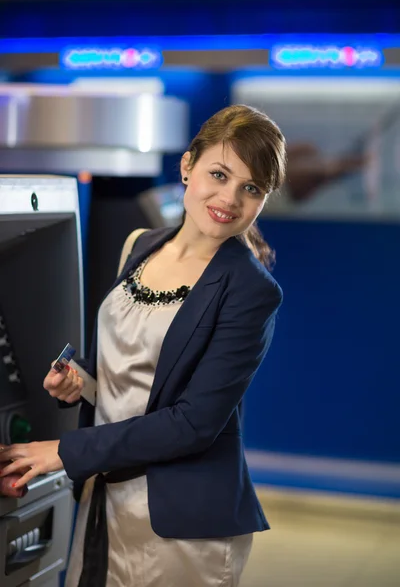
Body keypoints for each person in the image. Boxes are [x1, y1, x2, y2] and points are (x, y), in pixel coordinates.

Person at [0, 104, 286, 587]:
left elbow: (194, 423)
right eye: (219, 174)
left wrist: (64, 451)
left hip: (181, 523)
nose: (229, 198)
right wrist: (82, 381)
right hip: (104, 493)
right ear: (187, 165)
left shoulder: (251, 290)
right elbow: (133, 369)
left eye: (251, 188)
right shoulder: (141, 244)